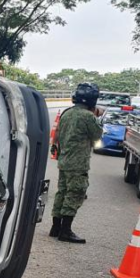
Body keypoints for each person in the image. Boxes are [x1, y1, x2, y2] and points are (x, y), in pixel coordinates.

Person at [49, 83, 103, 244]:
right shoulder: (88, 117)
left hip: (64, 159)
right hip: (78, 162)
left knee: (62, 192)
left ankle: (55, 228)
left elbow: (58, 134)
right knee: (76, 193)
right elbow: (97, 135)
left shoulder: (67, 113)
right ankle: (65, 231)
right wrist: (97, 116)